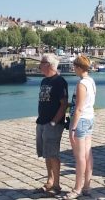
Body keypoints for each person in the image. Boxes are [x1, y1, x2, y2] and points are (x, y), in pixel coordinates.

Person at [35, 53, 68, 197]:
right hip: (41, 122)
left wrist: (54, 121)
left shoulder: (59, 81)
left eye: (41, 63)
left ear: (48, 65)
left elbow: (64, 104)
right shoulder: (44, 81)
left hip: (53, 124)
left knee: (53, 154)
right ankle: (50, 180)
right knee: (46, 154)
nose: (39, 65)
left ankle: (57, 185)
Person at [63, 55, 96, 199]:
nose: (73, 69)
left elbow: (78, 108)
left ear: (78, 67)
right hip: (89, 118)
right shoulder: (91, 81)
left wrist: (73, 128)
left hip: (81, 120)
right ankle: (87, 186)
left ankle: (77, 188)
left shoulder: (81, 84)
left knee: (80, 157)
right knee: (88, 154)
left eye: (74, 67)